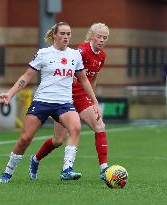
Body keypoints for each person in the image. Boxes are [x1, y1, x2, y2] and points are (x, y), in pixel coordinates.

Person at [0, 22, 101, 183]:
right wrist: (10, 94)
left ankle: (67, 168)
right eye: (63, 34)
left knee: (75, 127)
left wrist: (94, 102)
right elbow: (26, 76)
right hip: (42, 101)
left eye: (68, 34)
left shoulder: (75, 55)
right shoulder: (43, 53)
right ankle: (8, 171)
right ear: (54, 35)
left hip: (64, 104)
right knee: (25, 138)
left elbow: (85, 81)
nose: (66, 37)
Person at [29, 23, 110, 181]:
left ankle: (103, 169)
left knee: (100, 126)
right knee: (58, 140)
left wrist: (92, 100)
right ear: (91, 36)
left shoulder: (101, 56)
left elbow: (91, 79)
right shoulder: (81, 51)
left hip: (81, 98)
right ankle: (35, 159)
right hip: (65, 98)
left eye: (105, 38)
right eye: (99, 36)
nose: (101, 40)